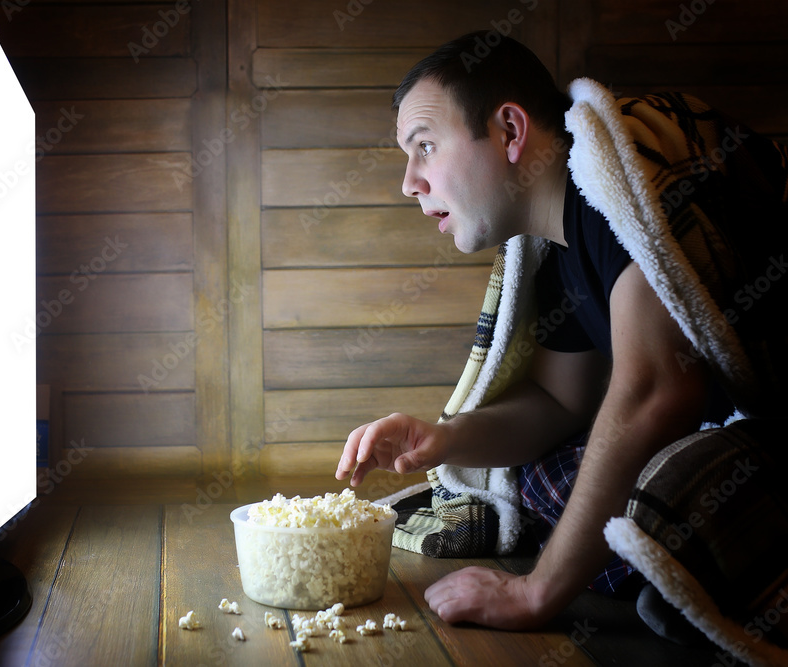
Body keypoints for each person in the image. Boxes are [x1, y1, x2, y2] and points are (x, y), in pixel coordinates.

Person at [334, 31, 788, 652]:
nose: (410, 182)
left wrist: (536, 591)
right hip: (714, 444)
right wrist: (444, 438)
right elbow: (558, 402)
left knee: (670, 490)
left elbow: (659, 393)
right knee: (539, 471)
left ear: (510, 131)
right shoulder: (554, 241)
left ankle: (683, 578)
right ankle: (672, 571)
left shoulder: (617, 192)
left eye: (425, 147)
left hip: (765, 431)